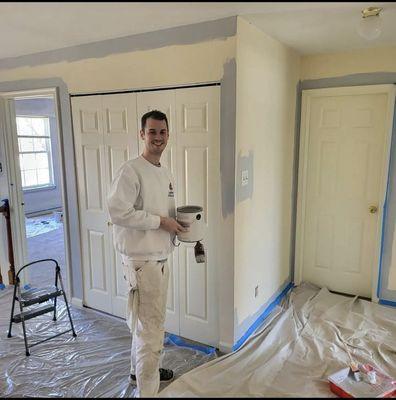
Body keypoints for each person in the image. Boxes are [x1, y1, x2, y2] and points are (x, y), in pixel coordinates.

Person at [107, 110, 187, 397]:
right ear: (142, 134)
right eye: (152, 132)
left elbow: (160, 210)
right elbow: (118, 212)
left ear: (168, 135)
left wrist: (178, 224)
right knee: (151, 331)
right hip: (144, 262)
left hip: (159, 257)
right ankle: (148, 391)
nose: (158, 137)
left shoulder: (163, 171)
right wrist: (161, 222)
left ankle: (138, 371)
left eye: (162, 132)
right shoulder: (131, 170)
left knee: (145, 324)